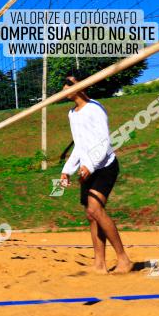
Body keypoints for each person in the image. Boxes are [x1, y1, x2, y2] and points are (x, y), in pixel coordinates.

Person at [60, 75, 132, 274]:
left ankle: (123, 259)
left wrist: (91, 165)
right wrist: (67, 170)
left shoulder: (95, 108)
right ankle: (99, 264)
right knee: (91, 215)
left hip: (104, 166)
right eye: (65, 85)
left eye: (71, 83)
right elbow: (80, 145)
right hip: (87, 168)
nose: (66, 88)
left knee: (95, 209)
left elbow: (104, 142)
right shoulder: (72, 114)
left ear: (82, 85)